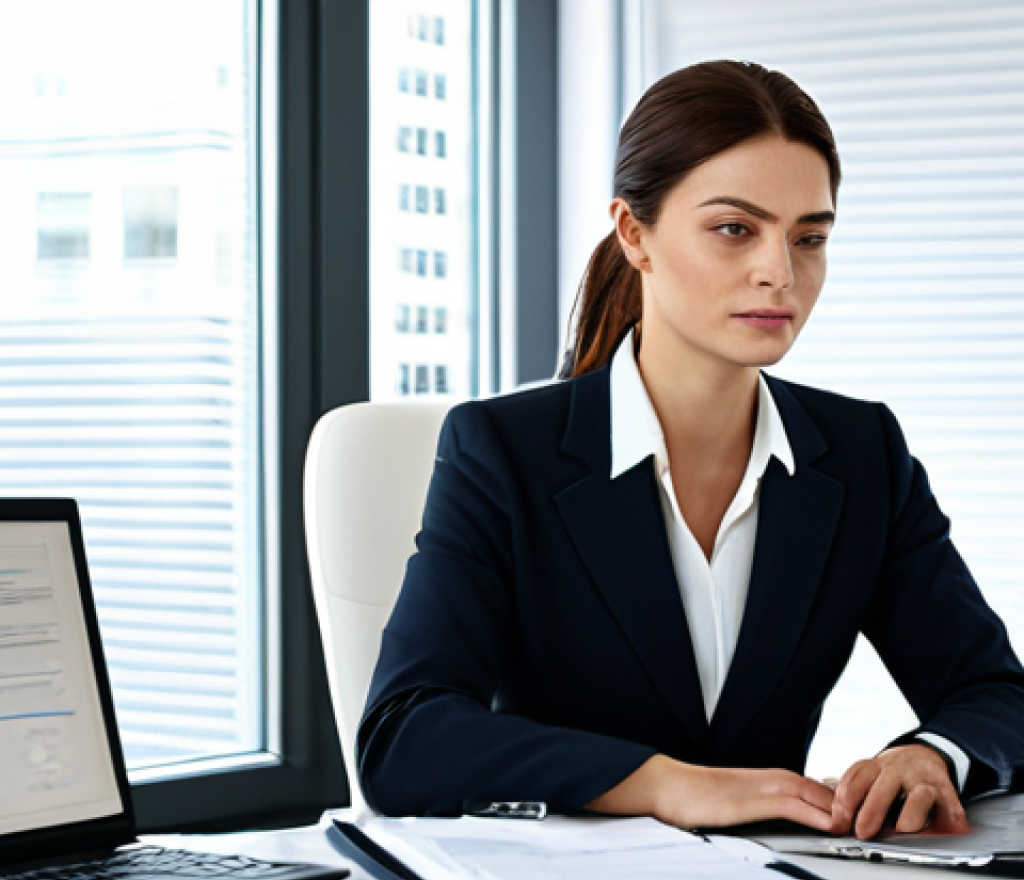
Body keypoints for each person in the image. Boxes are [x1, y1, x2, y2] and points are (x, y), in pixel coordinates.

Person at [356, 60, 1024, 839]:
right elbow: (404, 737)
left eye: (809, 237)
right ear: (635, 233)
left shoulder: (860, 455)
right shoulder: (502, 452)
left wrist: (934, 755)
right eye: (735, 229)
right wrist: (663, 785)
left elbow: (995, 694)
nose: (781, 272)